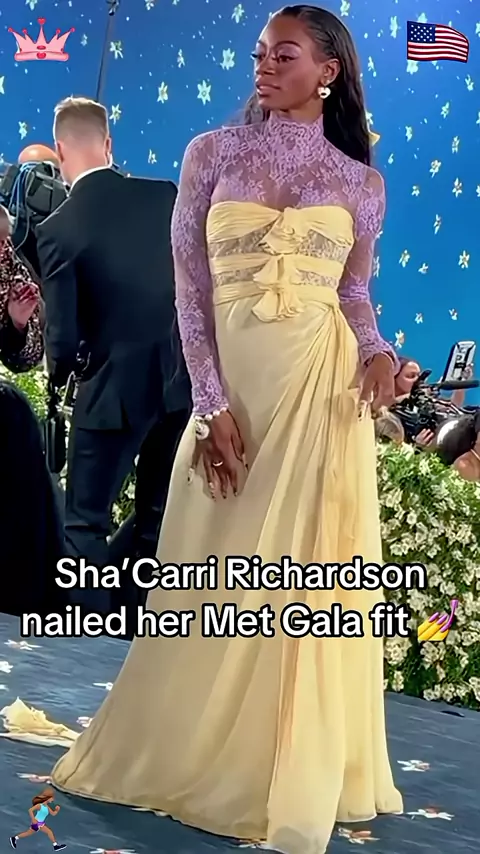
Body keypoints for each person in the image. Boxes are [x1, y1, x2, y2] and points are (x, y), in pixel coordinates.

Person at [44, 8, 403, 853]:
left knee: (301, 587)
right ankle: (189, 749)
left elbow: (354, 294)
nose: (263, 66)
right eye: (259, 53)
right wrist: (209, 406)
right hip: (232, 390)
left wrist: (379, 351)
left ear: (329, 71)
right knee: (207, 570)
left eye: (284, 55)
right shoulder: (212, 153)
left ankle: (283, 768)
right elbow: (189, 291)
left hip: (319, 394)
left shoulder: (362, 182)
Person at [35, 97, 191, 612]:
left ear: (60, 151)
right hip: (177, 385)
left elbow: (60, 343)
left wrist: (65, 373)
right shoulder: (164, 197)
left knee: (84, 525)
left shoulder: (58, 229)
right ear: (108, 143)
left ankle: (88, 643)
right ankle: (142, 636)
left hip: (109, 395)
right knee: (156, 521)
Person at [0, 205, 43, 372]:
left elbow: (26, 361)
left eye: (3, 242)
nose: (2, 250)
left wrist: (18, 324)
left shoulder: (7, 260)